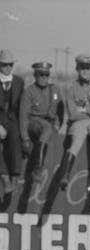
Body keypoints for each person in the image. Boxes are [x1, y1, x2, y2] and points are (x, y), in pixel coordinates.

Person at [56, 53, 90, 190]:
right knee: (75, 144)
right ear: (77, 69)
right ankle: (65, 175)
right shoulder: (71, 87)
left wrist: (85, 110)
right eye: (82, 68)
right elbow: (73, 114)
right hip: (78, 123)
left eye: (87, 68)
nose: (85, 71)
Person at [18, 61, 62, 173]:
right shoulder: (29, 91)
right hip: (33, 122)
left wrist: (59, 122)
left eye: (46, 75)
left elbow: (61, 108)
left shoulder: (54, 89)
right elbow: (23, 116)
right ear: (35, 75)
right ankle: (39, 164)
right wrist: (25, 138)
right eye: (40, 74)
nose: (44, 77)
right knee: (47, 128)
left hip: (48, 122)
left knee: (48, 128)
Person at [0, 48, 25, 196]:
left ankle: (15, 177)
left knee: (16, 141)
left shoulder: (19, 82)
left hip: (13, 119)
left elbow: (22, 106)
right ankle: (5, 179)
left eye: (10, 65)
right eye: (4, 65)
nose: (7, 68)